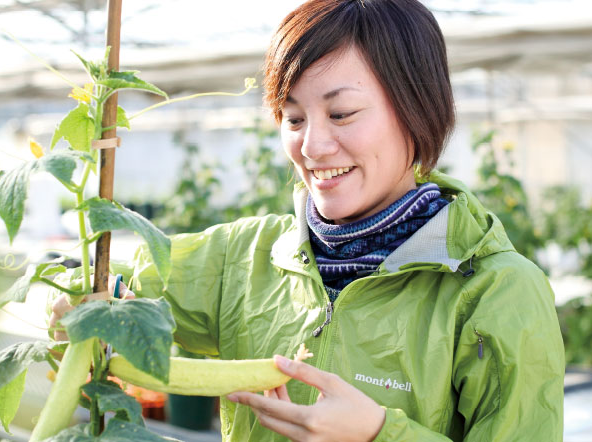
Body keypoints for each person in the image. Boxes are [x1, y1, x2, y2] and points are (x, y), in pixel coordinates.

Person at [51, 0, 564, 440]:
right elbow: (102, 288)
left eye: (341, 114)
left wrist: (378, 433)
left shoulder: (496, 292)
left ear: (417, 111)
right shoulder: (240, 257)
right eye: (294, 118)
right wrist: (79, 303)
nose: (313, 146)